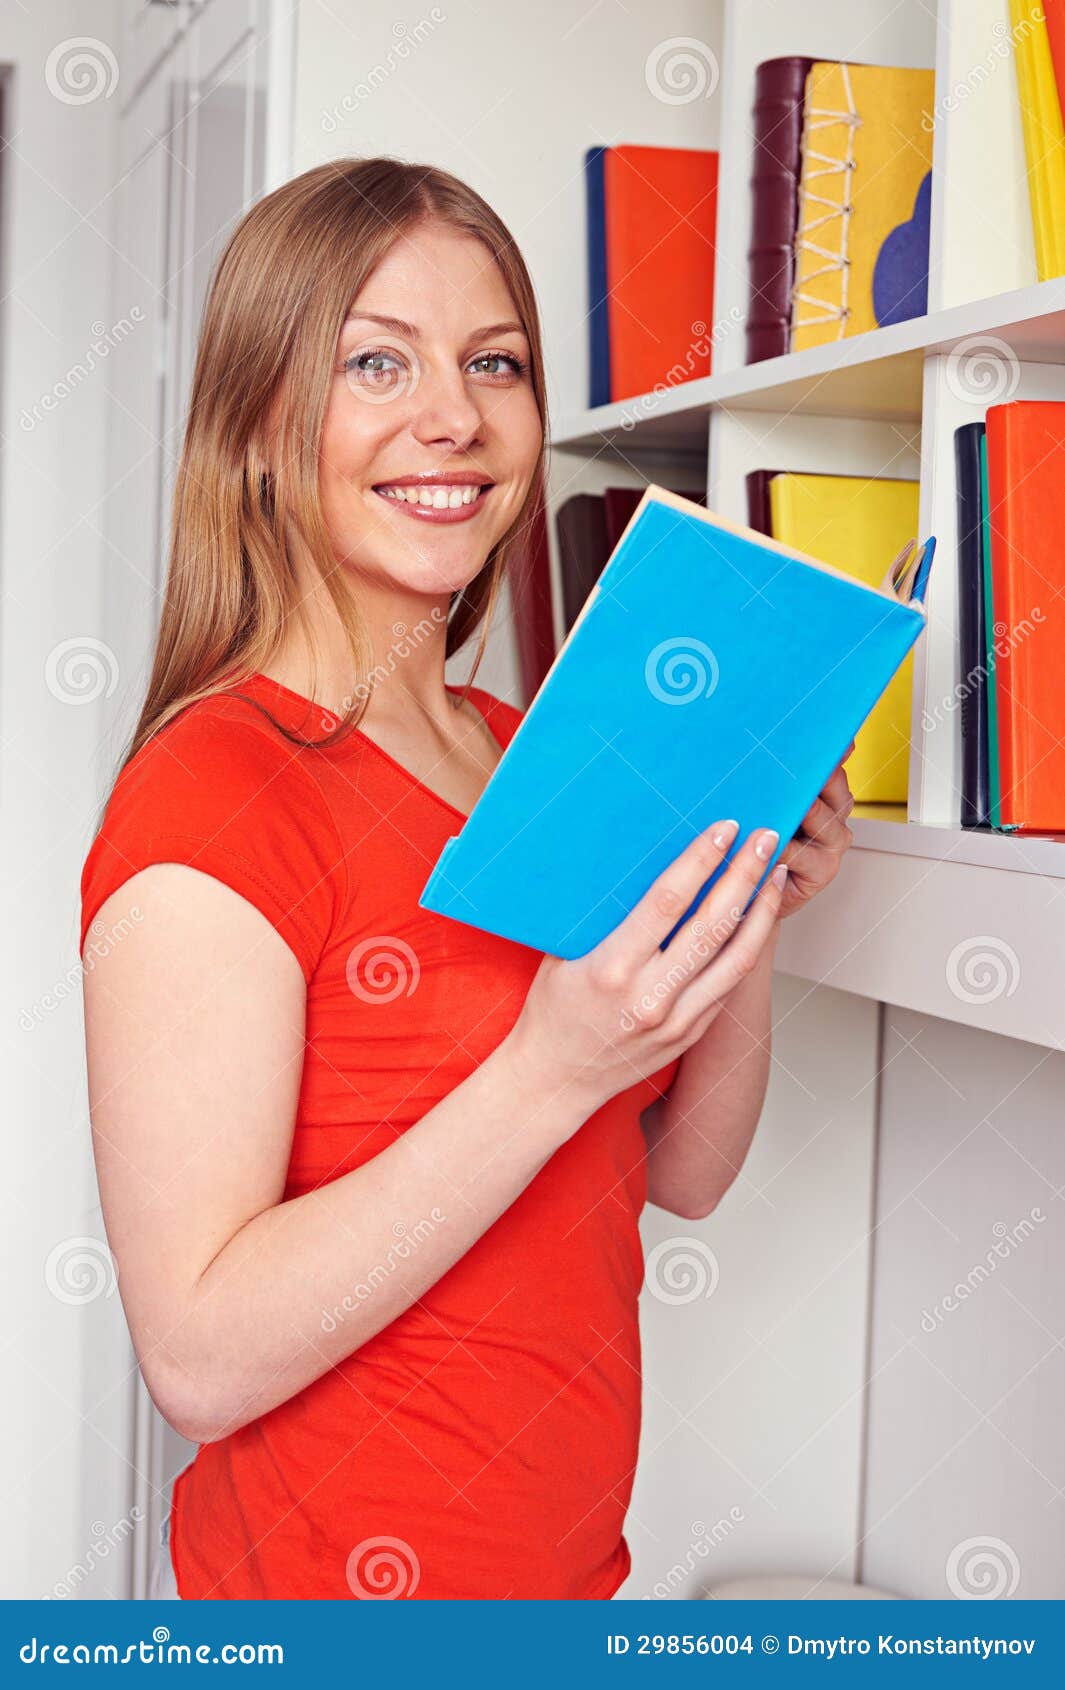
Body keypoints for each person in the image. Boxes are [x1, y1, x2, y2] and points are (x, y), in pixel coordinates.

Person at [80, 157, 854, 1601]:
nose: (454, 416)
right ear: (257, 427)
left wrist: (737, 903)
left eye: (494, 362)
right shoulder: (217, 789)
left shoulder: (531, 750)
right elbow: (196, 1356)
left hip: (565, 1593)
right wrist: (549, 1066)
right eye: (377, 361)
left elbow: (678, 1173)